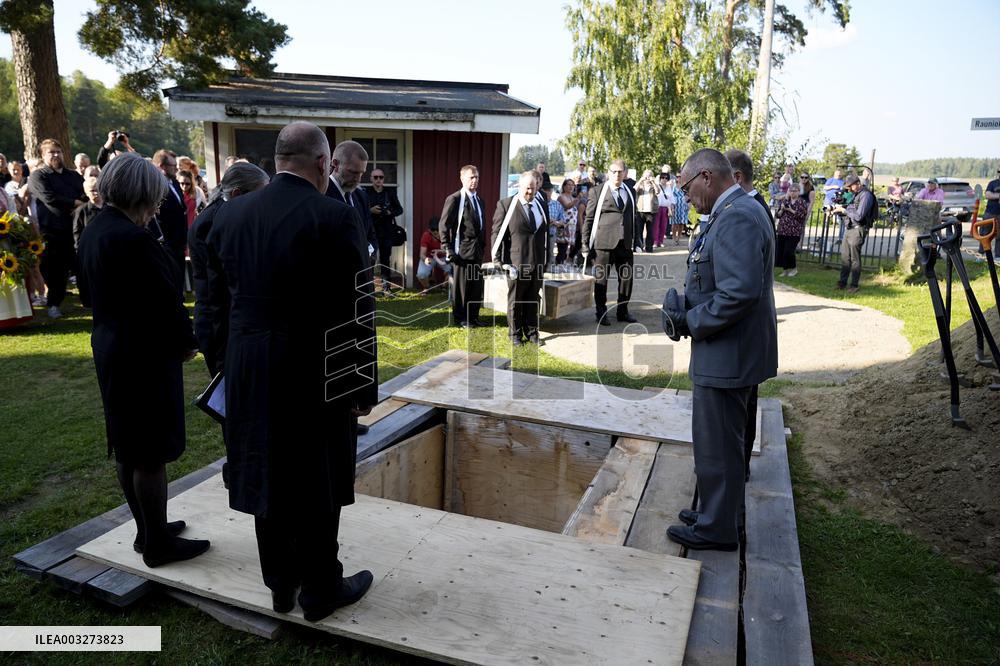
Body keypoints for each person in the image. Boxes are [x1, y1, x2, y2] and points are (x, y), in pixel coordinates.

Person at [206, 121, 377, 621]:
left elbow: (217, 303)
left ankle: (280, 582)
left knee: (266, 469)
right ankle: (321, 586)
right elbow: (355, 311)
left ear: (279, 159)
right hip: (312, 367)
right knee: (318, 474)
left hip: (249, 367)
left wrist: (226, 366)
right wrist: (361, 385)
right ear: (324, 163)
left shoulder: (230, 214)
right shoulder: (333, 217)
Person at [76, 153, 209, 568]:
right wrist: (186, 341)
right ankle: (158, 545)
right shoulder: (134, 239)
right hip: (144, 351)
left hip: (112, 345)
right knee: (150, 451)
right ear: (142, 194)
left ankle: (147, 530)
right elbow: (164, 300)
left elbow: (85, 295)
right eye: (155, 198)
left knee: (129, 446)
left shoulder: (95, 231)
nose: (158, 206)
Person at [660, 148, 777, 551]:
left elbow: (738, 293)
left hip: (728, 354)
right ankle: (718, 511)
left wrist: (690, 321)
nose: (687, 197)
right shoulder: (737, 210)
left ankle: (717, 528)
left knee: (720, 446)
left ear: (707, 177)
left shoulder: (738, 217)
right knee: (722, 443)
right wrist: (687, 304)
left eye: (688, 188)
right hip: (729, 351)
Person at [188, 162, 270, 375]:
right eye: (259, 196)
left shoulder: (226, 215)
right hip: (218, 325)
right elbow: (216, 290)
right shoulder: (212, 223)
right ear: (236, 194)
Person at [28, 138, 86, 319]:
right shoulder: (38, 176)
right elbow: (49, 198)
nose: (56, 155)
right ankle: (53, 304)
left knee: (83, 267)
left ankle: (89, 301)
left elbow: (84, 192)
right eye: (51, 152)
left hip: (77, 230)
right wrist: (75, 202)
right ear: (43, 155)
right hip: (53, 231)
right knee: (56, 271)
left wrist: (80, 201)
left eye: (58, 151)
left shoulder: (73, 176)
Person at [492, 171, 548, 346]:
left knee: (533, 299)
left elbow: (544, 234)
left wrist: (546, 260)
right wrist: (499, 261)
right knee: (516, 300)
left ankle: (532, 333)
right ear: (519, 187)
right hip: (516, 262)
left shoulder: (541, 204)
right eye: (527, 189)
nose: (530, 193)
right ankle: (515, 334)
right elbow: (497, 234)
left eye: (533, 189)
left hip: (537, 261)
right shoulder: (506, 205)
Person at [582, 159, 637, 325]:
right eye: (613, 171)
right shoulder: (597, 191)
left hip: (625, 243)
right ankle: (601, 313)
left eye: (620, 171)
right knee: (601, 280)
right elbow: (589, 218)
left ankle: (622, 311)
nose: (617, 175)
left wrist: (637, 240)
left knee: (627, 279)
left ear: (625, 173)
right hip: (603, 244)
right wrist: (585, 243)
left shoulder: (630, 191)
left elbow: (633, 217)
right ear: (608, 173)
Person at [439, 165, 487, 328]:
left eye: (477, 177)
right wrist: (447, 247)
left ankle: (473, 317)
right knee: (461, 288)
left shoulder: (480, 200)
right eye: (471, 177)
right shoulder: (455, 199)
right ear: (462, 179)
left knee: (475, 285)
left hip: (477, 251)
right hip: (461, 252)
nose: (475, 180)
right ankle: (461, 318)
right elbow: (444, 225)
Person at [327, 141, 378, 266]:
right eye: (353, 172)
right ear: (335, 164)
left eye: (361, 173)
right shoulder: (321, 195)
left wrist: (371, 252)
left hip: (361, 276)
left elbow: (370, 232)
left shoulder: (361, 197)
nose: (358, 179)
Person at [831, 173, 875, 293]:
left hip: (858, 228)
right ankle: (842, 282)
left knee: (855, 259)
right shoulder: (855, 195)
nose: (849, 188)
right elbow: (850, 211)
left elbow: (859, 216)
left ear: (858, 184)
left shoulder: (866, 195)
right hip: (849, 228)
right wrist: (838, 211)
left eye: (851, 186)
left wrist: (844, 210)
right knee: (845, 257)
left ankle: (854, 285)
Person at [151, 150, 188, 282]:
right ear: (162, 166)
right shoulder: (156, 188)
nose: (177, 169)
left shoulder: (175, 183)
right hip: (166, 243)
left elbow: (181, 209)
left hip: (179, 242)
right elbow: (156, 215)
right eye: (173, 166)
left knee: (179, 278)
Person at [365, 167, 404, 285]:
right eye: (375, 177)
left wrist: (389, 212)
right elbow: (359, 210)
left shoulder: (389, 193)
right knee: (370, 258)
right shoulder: (366, 192)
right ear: (371, 179)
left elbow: (399, 209)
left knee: (385, 259)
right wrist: (370, 210)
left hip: (387, 231)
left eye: (380, 177)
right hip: (370, 231)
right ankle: (369, 286)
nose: (378, 180)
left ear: (383, 179)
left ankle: (386, 286)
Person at [774, 182, 808, 277]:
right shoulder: (785, 201)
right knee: (782, 251)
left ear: (798, 192)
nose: (792, 193)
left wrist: (790, 210)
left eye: (795, 191)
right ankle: (785, 270)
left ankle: (794, 268)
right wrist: (782, 209)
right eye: (791, 191)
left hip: (794, 231)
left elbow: (801, 216)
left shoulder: (802, 202)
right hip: (783, 230)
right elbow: (778, 215)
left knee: (789, 251)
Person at [416, 218, 450, 289]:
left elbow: (450, 251)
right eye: (433, 230)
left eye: (437, 229)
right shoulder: (426, 235)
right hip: (430, 258)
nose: (436, 232)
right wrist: (425, 259)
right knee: (421, 274)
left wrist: (439, 251)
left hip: (444, 257)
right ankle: (427, 287)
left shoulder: (447, 234)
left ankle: (444, 286)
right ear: (429, 230)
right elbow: (422, 254)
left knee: (453, 271)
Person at [635, 169, 661, 253]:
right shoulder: (640, 185)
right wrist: (641, 180)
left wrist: (653, 182)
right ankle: (639, 247)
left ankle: (649, 248)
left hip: (651, 211)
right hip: (640, 210)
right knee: (639, 230)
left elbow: (658, 191)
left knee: (650, 231)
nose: (647, 178)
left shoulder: (654, 185)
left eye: (649, 175)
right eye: (646, 176)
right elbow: (634, 190)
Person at [556, 179, 581, 266]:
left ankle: (566, 264)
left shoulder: (573, 198)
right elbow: (567, 206)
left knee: (570, 247)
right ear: (564, 186)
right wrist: (577, 199)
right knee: (562, 248)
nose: (571, 187)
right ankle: (559, 265)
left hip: (572, 227)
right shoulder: (561, 197)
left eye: (572, 185)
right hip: (563, 226)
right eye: (569, 185)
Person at [73, 175, 102, 248]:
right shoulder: (81, 211)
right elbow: (77, 233)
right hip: (91, 247)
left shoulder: (109, 207)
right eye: (92, 190)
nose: (96, 193)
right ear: (86, 192)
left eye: (97, 189)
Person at [653, 173, 673, 249]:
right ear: (660, 178)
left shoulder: (669, 188)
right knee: (656, 225)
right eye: (663, 178)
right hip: (657, 207)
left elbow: (671, 199)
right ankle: (655, 241)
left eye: (666, 178)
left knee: (663, 225)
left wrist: (671, 209)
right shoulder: (657, 186)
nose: (664, 179)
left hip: (665, 208)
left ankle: (660, 241)